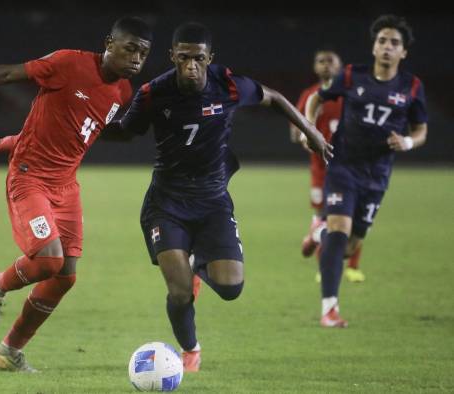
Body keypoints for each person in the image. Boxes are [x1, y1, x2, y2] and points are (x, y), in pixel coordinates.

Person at [0, 16, 152, 372]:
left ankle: (9, 352)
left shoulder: (122, 92)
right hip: (29, 179)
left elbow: (77, 129)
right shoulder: (68, 63)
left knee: (65, 276)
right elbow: (7, 74)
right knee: (47, 260)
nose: (136, 58)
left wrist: (15, 139)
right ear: (109, 43)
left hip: (66, 185)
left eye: (144, 53)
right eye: (130, 48)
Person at [103, 22, 332, 372]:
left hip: (212, 201)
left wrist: (311, 130)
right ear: (172, 57)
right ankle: (190, 350)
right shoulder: (154, 93)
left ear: (210, 58)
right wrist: (80, 124)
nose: (191, 66)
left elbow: (274, 97)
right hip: (166, 203)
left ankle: (198, 265)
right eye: (183, 58)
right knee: (179, 293)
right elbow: (125, 131)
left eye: (198, 58)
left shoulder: (228, 85)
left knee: (230, 288)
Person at [305, 15, 428, 328]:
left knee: (347, 246)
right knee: (339, 230)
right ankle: (329, 309)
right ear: (374, 47)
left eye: (394, 43)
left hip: (377, 175)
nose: (387, 47)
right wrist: (310, 129)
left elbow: (421, 129)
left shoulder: (411, 86)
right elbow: (317, 98)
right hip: (343, 165)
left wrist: (408, 142)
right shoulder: (351, 75)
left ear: (404, 53)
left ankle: (317, 232)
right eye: (382, 41)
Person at [292, 50, 366, 283]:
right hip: (321, 171)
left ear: (340, 66)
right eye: (321, 62)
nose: (325, 66)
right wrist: (306, 138)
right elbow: (296, 130)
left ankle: (352, 267)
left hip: (349, 167)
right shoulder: (310, 95)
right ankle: (324, 264)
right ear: (315, 67)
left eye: (330, 61)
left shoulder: (349, 95)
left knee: (353, 218)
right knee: (328, 218)